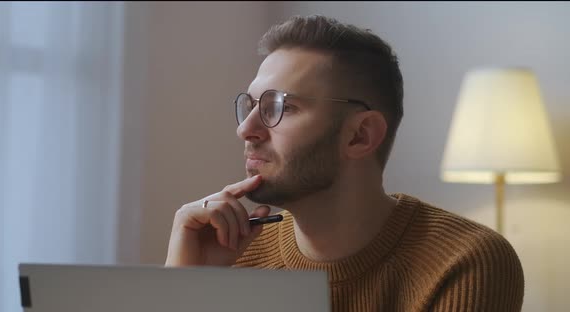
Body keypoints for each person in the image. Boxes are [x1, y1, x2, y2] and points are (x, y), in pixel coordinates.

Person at [165, 15, 524, 311]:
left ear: (360, 136)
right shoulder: (231, 254)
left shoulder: (462, 262)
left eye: (281, 108)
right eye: (251, 106)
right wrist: (186, 283)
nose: (247, 129)